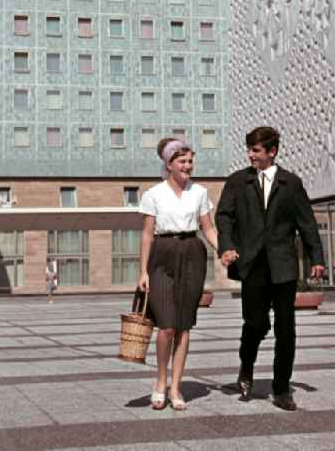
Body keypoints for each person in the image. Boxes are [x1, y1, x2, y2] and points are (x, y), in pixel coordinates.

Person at [216, 126, 325, 411]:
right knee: (255, 323)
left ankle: (281, 389)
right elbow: (224, 216)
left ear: (272, 151)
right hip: (252, 264)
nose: (250, 155)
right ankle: (246, 365)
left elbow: (307, 223)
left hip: (283, 265)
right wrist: (226, 246)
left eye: (255, 150)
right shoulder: (238, 182)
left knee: (286, 328)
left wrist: (317, 258)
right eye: (249, 149)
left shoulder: (291, 183)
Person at [138, 138, 219, 411]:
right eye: (182, 161)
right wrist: (143, 271)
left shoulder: (200, 192)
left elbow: (208, 229)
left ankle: (175, 387)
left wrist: (224, 250)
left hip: (192, 253)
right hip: (161, 256)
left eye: (190, 161)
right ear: (169, 164)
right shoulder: (153, 194)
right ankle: (160, 381)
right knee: (166, 326)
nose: (188, 166)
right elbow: (148, 235)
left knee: (184, 325)